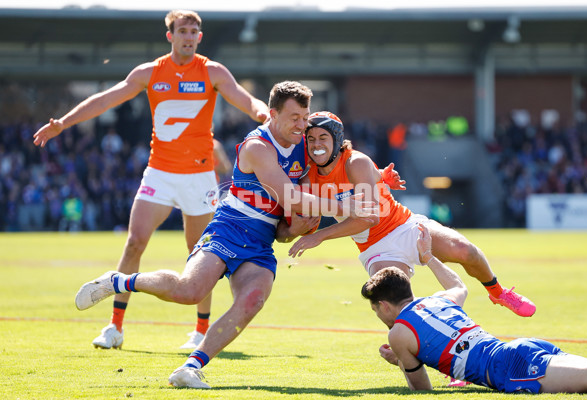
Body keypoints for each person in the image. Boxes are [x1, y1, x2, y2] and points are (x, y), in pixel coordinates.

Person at [73, 81, 377, 389]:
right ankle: (118, 281)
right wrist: (343, 202)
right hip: (229, 227)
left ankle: (191, 368)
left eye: (306, 116)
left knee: (253, 299)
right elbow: (290, 198)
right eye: (295, 117)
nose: (303, 125)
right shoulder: (258, 147)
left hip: (261, 239)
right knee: (190, 290)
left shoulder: (304, 144)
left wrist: (375, 178)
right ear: (272, 114)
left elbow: (334, 162)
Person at [33, 10, 270, 350]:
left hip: (200, 176)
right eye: (182, 31)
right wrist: (62, 123)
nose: (188, 36)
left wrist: (263, 113)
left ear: (199, 37)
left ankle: (200, 333)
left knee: (200, 252)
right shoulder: (150, 72)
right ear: (170, 35)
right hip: (159, 172)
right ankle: (114, 328)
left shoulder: (212, 71)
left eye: (194, 31)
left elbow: (246, 100)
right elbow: (105, 99)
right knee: (134, 242)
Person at [288, 111, 536, 317]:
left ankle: (498, 292)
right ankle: (411, 346)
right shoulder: (309, 177)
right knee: (398, 306)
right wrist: (299, 228)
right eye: (311, 140)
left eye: (323, 137)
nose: (317, 144)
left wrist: (319, 236)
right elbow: (305, 213)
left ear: (338, 140)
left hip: (404, 225)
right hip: (375, 249)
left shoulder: (356, 162)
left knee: (465, 250)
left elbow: (369, 217)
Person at [362, 223, 587, 394]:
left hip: (507, 367)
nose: (378, 316)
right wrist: (429, 258)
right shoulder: (439, 300)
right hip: (518, 352)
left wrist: (402, 359)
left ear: (383, 305)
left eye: (375, 310)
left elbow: (422, 390)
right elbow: (458, 285)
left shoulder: (398, 334)